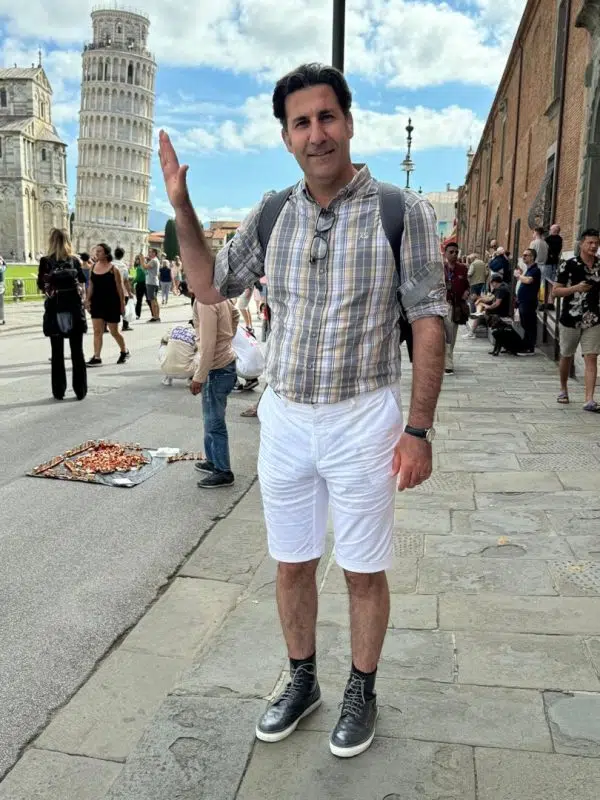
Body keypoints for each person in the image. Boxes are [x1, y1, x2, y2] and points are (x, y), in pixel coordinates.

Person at [159, 62, 446, 758]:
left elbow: (429, 318)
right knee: (291, 562)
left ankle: (361, 689)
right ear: (286, 137)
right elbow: (207, 282)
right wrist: (182, 206)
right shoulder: (272, 213)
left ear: (348, 122)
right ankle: (302, 679)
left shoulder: (401, 212)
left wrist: (418, 429)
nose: (316, 134)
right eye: (301, 123)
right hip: (286, 415)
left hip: (363, 416)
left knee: (363, 569)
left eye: (326, 117)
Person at [191, 298, 239, 488]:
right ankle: (213, 460)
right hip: (224, 363)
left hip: (216, 368)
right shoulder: (218, 295)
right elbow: (235, 315)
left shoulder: (205, 301)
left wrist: (199, 376)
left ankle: (223, 471)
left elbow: (208, 344)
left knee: (214, 422)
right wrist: (226, 339)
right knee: (210, 418)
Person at [553, 228, 600, 411]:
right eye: (590, 242)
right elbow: (556, 291)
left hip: (594, 319)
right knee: (566, 355)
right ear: (581, 244)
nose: (593, 246)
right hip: (570, 318)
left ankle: (589, 399)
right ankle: (563, 389)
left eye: (596, 243)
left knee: (591, 356)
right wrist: (575, 288)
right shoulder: (568, 265)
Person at [37, 228, 87, 400]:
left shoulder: (46, 261)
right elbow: (82, 281)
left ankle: (59, 391)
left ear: (51, 241)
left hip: (55, 309)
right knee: (77, 351)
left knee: (57, 353)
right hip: (74, 309)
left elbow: (41, 285)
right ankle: (80, 390)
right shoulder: (74, 260)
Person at [85, 243, 130, 366]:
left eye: (99, 251)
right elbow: (91, 285)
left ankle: (124, 351)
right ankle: (97, 357)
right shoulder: (93, 267)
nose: (97, 253)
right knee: (97, 331)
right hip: (97, 302)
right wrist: (87, 300)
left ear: (106, 253)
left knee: (114, 331)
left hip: (111, 303)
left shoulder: (113, 269)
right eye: (96, 251)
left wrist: (122, 305)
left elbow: (120, 288)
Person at [444, 242, 470, 373]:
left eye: (456, 252)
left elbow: (467, 285)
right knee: (444, 334)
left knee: (452, 335)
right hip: (443, 305)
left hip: (456, 306)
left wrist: (467, 292)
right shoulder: (440, 268)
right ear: (445, 253)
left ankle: (448, 360)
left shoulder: (462, 269)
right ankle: (446, 362)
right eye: (451, 252)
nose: (454, 254)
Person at [514, 248, 541, 354]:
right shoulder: (528, 269)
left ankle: (530, 347)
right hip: (523, 301)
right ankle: (526, 345)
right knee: (525, 323)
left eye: (526, 255)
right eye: (523, 255)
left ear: (532, 257)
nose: (523, 257)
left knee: (529, 324)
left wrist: (518, 276)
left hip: (529, 302)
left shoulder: (535, 270)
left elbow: (529, 280)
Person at [113, 246, 133, 331]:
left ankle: (106, 326)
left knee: (110, 308)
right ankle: (125, 325)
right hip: (123, 292)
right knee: (125, 308)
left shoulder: (110, 265)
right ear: (123, 255)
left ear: (114, 254)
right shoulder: (124, 266)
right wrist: (130, 292)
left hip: (111, 291)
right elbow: (126, 281)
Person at [543, 224, 563, 310]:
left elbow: (547, 250)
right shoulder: (559, 239)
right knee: (552, 283)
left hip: (548, 263)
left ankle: (547, 302)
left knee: (548, 283)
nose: (550, 230)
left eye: (551, 229)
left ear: (555, 230)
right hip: (554, 263)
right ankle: (550, 302)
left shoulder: (549, 239)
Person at [144, 248, 161, 321]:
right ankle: (157, 316)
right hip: (153, 282)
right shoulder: (155, 260)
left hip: (151, 282)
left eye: (150, 252)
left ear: (154, 253)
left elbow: (144, 267)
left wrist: (141, 259)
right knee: (154, 300)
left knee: (152, 300)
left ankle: (155, 317)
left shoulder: (154, 260)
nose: (149, 253)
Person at [133, 254, 150, 319]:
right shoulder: (141, 266)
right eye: (136, 259)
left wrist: (132, 283)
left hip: (141, 284)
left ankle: (137, 314)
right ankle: (154, 313)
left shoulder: (140, 267)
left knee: (140, 300)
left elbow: (138, 277)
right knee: (147, 300)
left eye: (138, 259)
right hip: (145, 284)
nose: (136, 260)